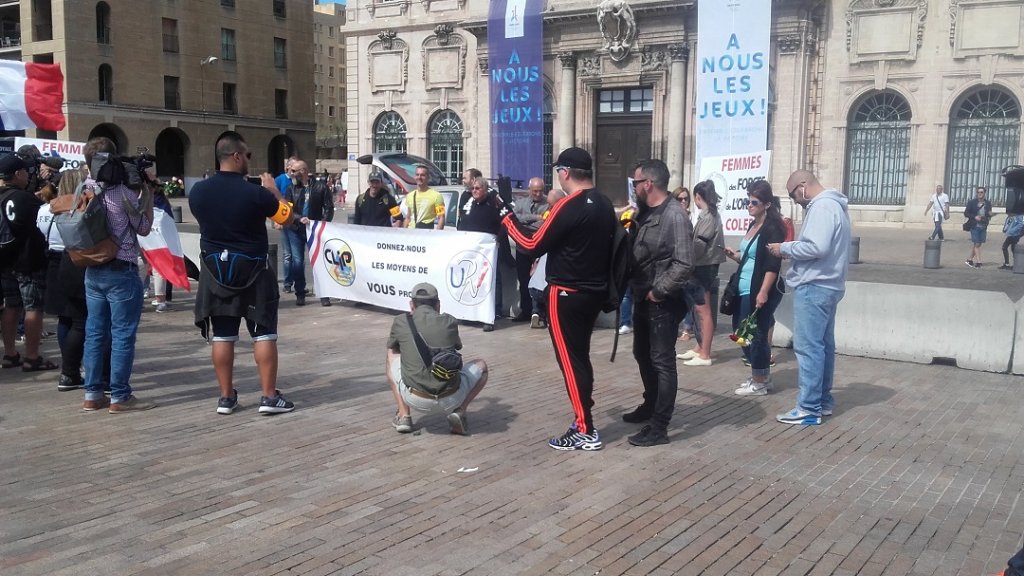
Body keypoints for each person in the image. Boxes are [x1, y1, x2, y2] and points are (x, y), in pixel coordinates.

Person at [502, 147, 617, 451]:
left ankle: (585, 429)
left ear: (565, 173)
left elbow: (531, 244)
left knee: (570, 362)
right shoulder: (605, 204)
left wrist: (507, 218)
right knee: (579, 359)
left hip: (566, 293)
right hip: (593, 292)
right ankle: (584, 419)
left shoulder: (569, 205)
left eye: (559, 173)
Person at [189, 131, 295, 416]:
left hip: (216, 273)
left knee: (223, 336)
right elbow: (286, 217)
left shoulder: (198, 192)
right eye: (247, 155)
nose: (249, 160)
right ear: (236, 156)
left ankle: (226, 398)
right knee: (264, 334)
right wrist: (274, 190)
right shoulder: (256, 193)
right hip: (254, 273)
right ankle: (269, 397)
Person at [767, 169, 851, 426]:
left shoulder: (823, 207)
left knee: (809, 348)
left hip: (815, 286)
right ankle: (821, 401)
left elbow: (816, 247)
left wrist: (784, 248)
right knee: (823, 347)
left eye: (794, 195)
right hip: (829, 285)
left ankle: (809, 407)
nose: (795, 200)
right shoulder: (835, 206)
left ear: (802, 185)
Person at [80, 137, 155, 413]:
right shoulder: (122, 192)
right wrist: (147, 194)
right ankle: (119, 396)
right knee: (123, 334)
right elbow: (144, 228)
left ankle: (92, 394)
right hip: (121, 269)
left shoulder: (84, 188)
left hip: (92, 268)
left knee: (95, 333)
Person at [622, 159, 693, 447]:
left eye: (636, 182)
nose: (634, 187)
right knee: (643, 354)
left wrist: (659, 291)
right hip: (642, 297)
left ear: (648, 184)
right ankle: (650, 405)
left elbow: (685, 262)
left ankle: (660, 426)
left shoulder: (674, 215)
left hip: (661, 301)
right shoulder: (645, 212)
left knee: (663, 362)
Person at [386, 282, 489, 435]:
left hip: (415, 398)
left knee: (391, 352)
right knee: (482, 366)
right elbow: (457, 346)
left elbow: (394, 346)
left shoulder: (401, 321)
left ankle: (404, 415)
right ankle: (459, 411)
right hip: (452, 397)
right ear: (438, 305)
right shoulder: (450, 321)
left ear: (411, 305)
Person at [727, 180, 786, 396]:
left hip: (759, 288)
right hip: (744, 287)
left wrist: (763, 292)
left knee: (756, 334)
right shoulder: (753, 225)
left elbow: (772, 264)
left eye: (754, 202)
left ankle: (760, 380)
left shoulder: (773, 227)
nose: (749, 205)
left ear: (767, 204)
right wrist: (735, 256)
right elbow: (751, 257)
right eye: (747, 201)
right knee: (740, 333)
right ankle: (760, 375)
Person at [0, 154, 55, 372]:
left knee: (11, 306)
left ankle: (9, 353)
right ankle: (32, 357)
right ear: (18, 174)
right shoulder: (24, 198)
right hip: (28, 262)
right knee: (33, 307)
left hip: (4, 260)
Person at [678, 180, 726, 367]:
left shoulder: (708, 218)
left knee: (704, 310)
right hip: (705, 265)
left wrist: (685, 257)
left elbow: (699, 246)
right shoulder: (710, 215)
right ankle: (700, 347)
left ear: (698, 197)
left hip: (704, 266)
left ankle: (705, 353)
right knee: (699, 309)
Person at [457, 176, 505, 332]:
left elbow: (503, 224)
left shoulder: (493, 204)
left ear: (485, 189)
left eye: (477, 188)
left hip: (488, 251)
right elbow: (462, 221)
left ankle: (493, 312)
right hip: (470, 251)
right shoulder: (469, 203)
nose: (474, 191)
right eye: (473, 188)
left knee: (490, 280)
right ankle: (470, 312)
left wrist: (498, 240)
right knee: (469, 280)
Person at [511, 177, 548, 322]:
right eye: (535, 191)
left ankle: (540, 312)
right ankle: (526, 311)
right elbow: (515, 218)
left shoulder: (548, 203)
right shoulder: (521, 203)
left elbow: (544, 224)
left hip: (540, 247)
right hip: (522, 248)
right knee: (524, 279)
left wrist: (526, 222)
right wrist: (536, 217)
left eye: (540, 191)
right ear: (529, 190)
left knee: (540, 281)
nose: (538, 194)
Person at [278, 159, 315, 306]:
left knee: (318, 261)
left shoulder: (318, 186)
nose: (291, 174)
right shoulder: (290, 188)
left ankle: (324, 293)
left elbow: (328, 206)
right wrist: (300, 219)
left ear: (303, 171)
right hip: (295, 229)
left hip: (314, 229)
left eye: (294, 171)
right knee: (297, 261)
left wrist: (321, 223)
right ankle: (300, 292)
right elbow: (289, 209)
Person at [673, 187, 696, 341]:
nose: (683, 201)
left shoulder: (693, 217)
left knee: (688, 297)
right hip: (672, 262)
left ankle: (687, 329)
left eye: (685, 199)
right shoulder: (671, 216)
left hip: (687, 261)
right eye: (679, 199)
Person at [275, 157, 298, 293]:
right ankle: (288, 283)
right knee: (287, 254)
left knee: (297, 255)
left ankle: (298, 283)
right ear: (288, 167)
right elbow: (273, 199)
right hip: (283, 219)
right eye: (293, 169)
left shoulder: (298, 180)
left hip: (295, 220)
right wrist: (276, 220)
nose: (295, 172)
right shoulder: (280, 180)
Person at [616, 204, 637, 335]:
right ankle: (625, 322)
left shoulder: (638, 227)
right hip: (627, 264)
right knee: (625, 295)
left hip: (639, 266)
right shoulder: (624, 229)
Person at [404, 164, 445, 230]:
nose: (419, 177)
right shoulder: (410, 195)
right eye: (417, 175)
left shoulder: (437, 196)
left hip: (426, 234)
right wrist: (404, 232)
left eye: (422, 175)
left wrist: (437, 234)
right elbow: (408, 217)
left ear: (428, 177)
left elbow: (441, 217)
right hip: (411, 234)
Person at [964, 186, 992, 268]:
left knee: (978, 244)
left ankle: (969, 260)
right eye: (978, 192)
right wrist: (974, 216)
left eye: (981, 192)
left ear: (984, 193)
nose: (979, 194)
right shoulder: (972, 202)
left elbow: (989, 213)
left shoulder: (988, 203)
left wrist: (990, 215)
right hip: (974, 225)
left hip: (983, 226)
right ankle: (979, 262)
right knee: (977, 243)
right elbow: (966, 213)